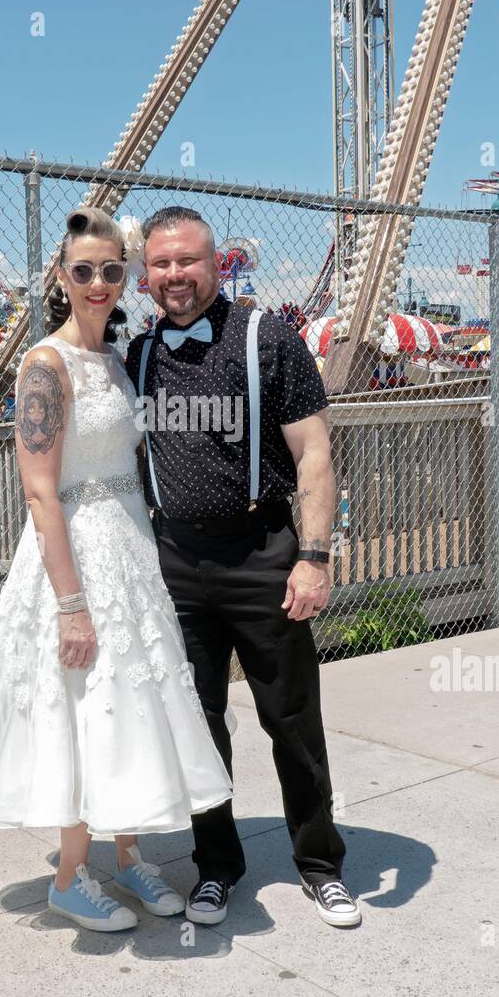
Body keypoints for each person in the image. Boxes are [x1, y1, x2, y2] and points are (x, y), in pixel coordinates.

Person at [0, 207, 233, 933]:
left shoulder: (117, 358)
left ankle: (128, 848)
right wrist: (70, 603)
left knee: (128, 705)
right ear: (62, 278)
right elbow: (40, 489)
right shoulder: (45, 365)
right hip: (73, 553)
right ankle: (70, 876)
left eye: (111, 269)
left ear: (125, 274)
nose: (99, 282)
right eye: (84, 270)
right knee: (85, 702)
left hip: (130, 547)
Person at [126, 206, 361, 929]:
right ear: (146, 274)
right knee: (198, 725)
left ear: (218, 263)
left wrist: (314, 557)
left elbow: (314, 454)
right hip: (175, 561)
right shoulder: (135, 356)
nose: (175, 276)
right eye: (161, 264)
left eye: (188, 261)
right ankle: (216, 867)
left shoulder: (269, 339)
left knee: (292, 718)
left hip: (263, 553)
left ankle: (320, 864)